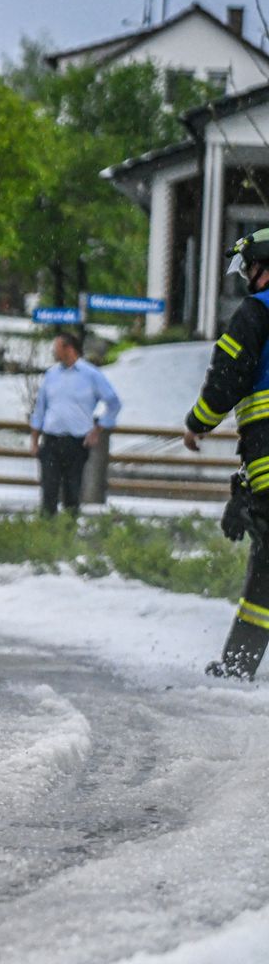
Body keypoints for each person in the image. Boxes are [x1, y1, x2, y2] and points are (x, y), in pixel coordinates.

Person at [184, 228, 269, 679]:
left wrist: (198, 422)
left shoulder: (257, 312)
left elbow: (228, 378)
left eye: (252, 268)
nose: (249, 278)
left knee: (266, 574)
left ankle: (237, 669)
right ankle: (238, 665)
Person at [27, 330, 121, 517]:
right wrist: (34, 439)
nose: (54, 352)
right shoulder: (51, 375)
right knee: (49, 490)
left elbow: (113, 402)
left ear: (68, 348)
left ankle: (68, 533)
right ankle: (46, 533)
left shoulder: (91, 375)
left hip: (77, 441)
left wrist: (98, 429)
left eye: (57, 348)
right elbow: (40, 409)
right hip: (52, 440)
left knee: (72, 490)